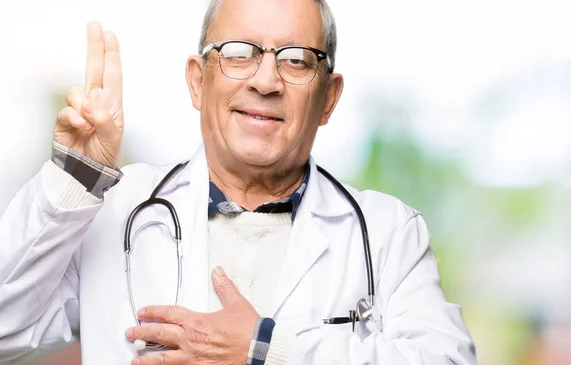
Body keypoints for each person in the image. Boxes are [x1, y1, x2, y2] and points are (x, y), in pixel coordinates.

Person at [0, 0, 477, 364]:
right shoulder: (115, 208)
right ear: (197, 81)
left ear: (328, 98)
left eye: (296, 60)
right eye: (239, 53)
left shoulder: (388, 232)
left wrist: (268, 349)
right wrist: (75, 177)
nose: (266, 81)